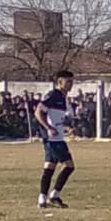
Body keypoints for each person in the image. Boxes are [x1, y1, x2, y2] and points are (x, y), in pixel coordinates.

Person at [35, 71, 77, 208]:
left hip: (56, 137)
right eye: (68, 82)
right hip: (53, 139)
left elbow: (56, 119)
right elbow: (38, 112)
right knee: (69, 166)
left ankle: (42, 199)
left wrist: (65, 128)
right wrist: (48, 128)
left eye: (72, 82)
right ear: (60, 82)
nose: (71, 85)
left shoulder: (63, 97)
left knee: (49, 166)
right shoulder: (53, 95)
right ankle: (54, 195)